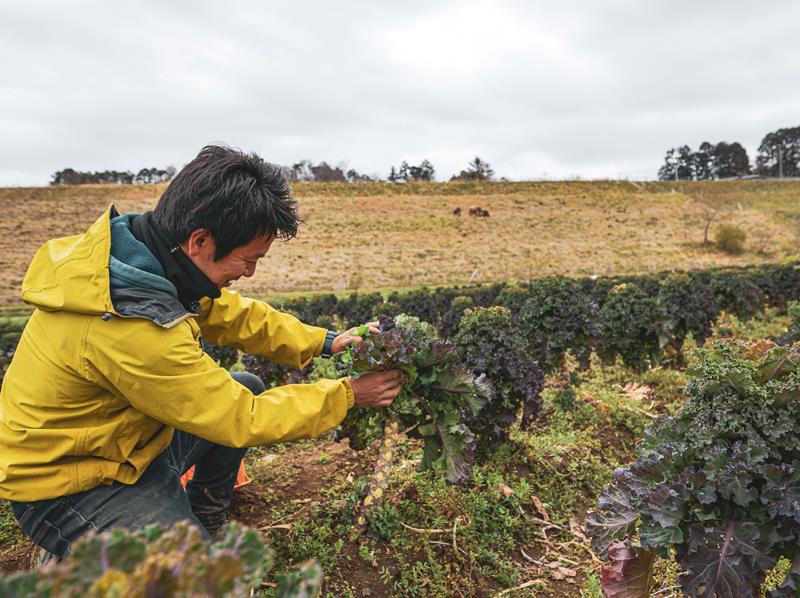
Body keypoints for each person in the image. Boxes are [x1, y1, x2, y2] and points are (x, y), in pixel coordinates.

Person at [0, 145, 403, 560]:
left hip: (126, 444)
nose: (250, 272)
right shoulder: (131, 325)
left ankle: (199, 516)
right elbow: (241, 418)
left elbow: (234, 316)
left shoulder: (150, 262)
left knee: (245, 382)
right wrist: (350, 394)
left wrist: (326, 341)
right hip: (69, 483)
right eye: (248, 260)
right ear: (200, 241)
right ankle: (82, 552)